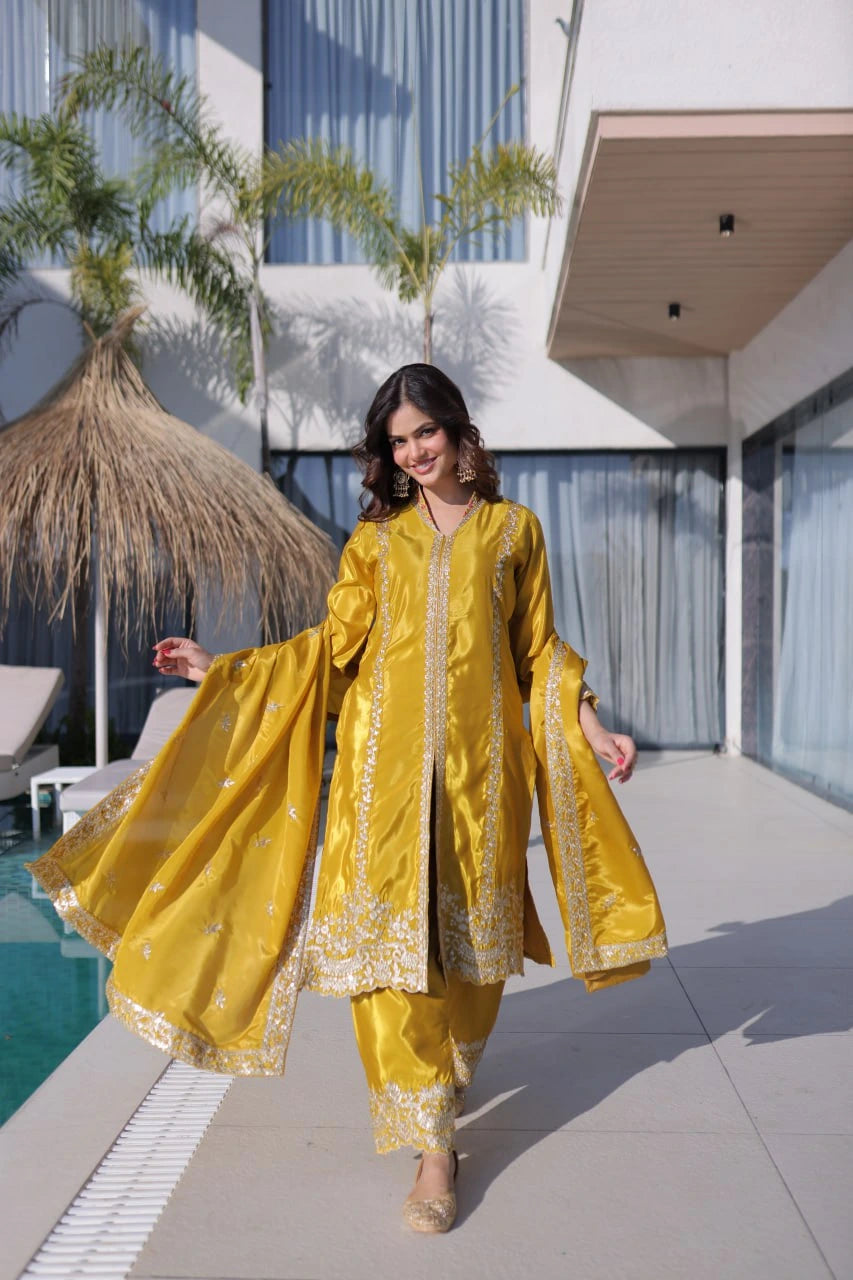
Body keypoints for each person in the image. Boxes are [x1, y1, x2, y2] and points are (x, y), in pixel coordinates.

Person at [28, 364, 667, 1234]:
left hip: (480, 782)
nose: (413, 453)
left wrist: (593, 730)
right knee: (385, 961)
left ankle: (443, 1081)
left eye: (423, 434)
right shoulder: (375, 543)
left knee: (472, 958)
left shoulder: (515, 533)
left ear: (455, 428)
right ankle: (432, 1147)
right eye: (397, 442)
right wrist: (220, 668)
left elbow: (538, 653)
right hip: (382, 784)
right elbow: (329, 651)